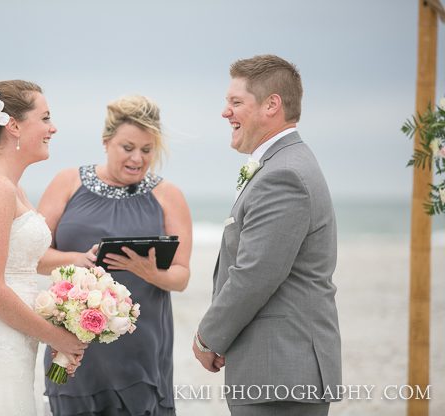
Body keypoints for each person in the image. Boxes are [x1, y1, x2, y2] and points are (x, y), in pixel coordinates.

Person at [193, 55, 342, 416]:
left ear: (271, 104)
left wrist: (208, 336)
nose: (225, 112)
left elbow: (255, 274)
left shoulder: (284, 174)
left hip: (281, 369)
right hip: (277, 367)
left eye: (235, 102)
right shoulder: (284, 163)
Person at [37, 95, 192, 416]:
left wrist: (149, 272)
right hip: (71, 347)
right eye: (128, 147)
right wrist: (77, 259)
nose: (138, 158)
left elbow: (181, 276)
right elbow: (34, 258)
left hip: (140, 349)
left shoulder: (168, 196)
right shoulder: (67, 182)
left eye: (147, 150)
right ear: (107, 142)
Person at [0, 80, 87, 415]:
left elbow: (21, 264)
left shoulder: (12, 187)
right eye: (46, 118)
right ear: (14, 126)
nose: (54, 128)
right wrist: (56, 336)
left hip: (12, 342)